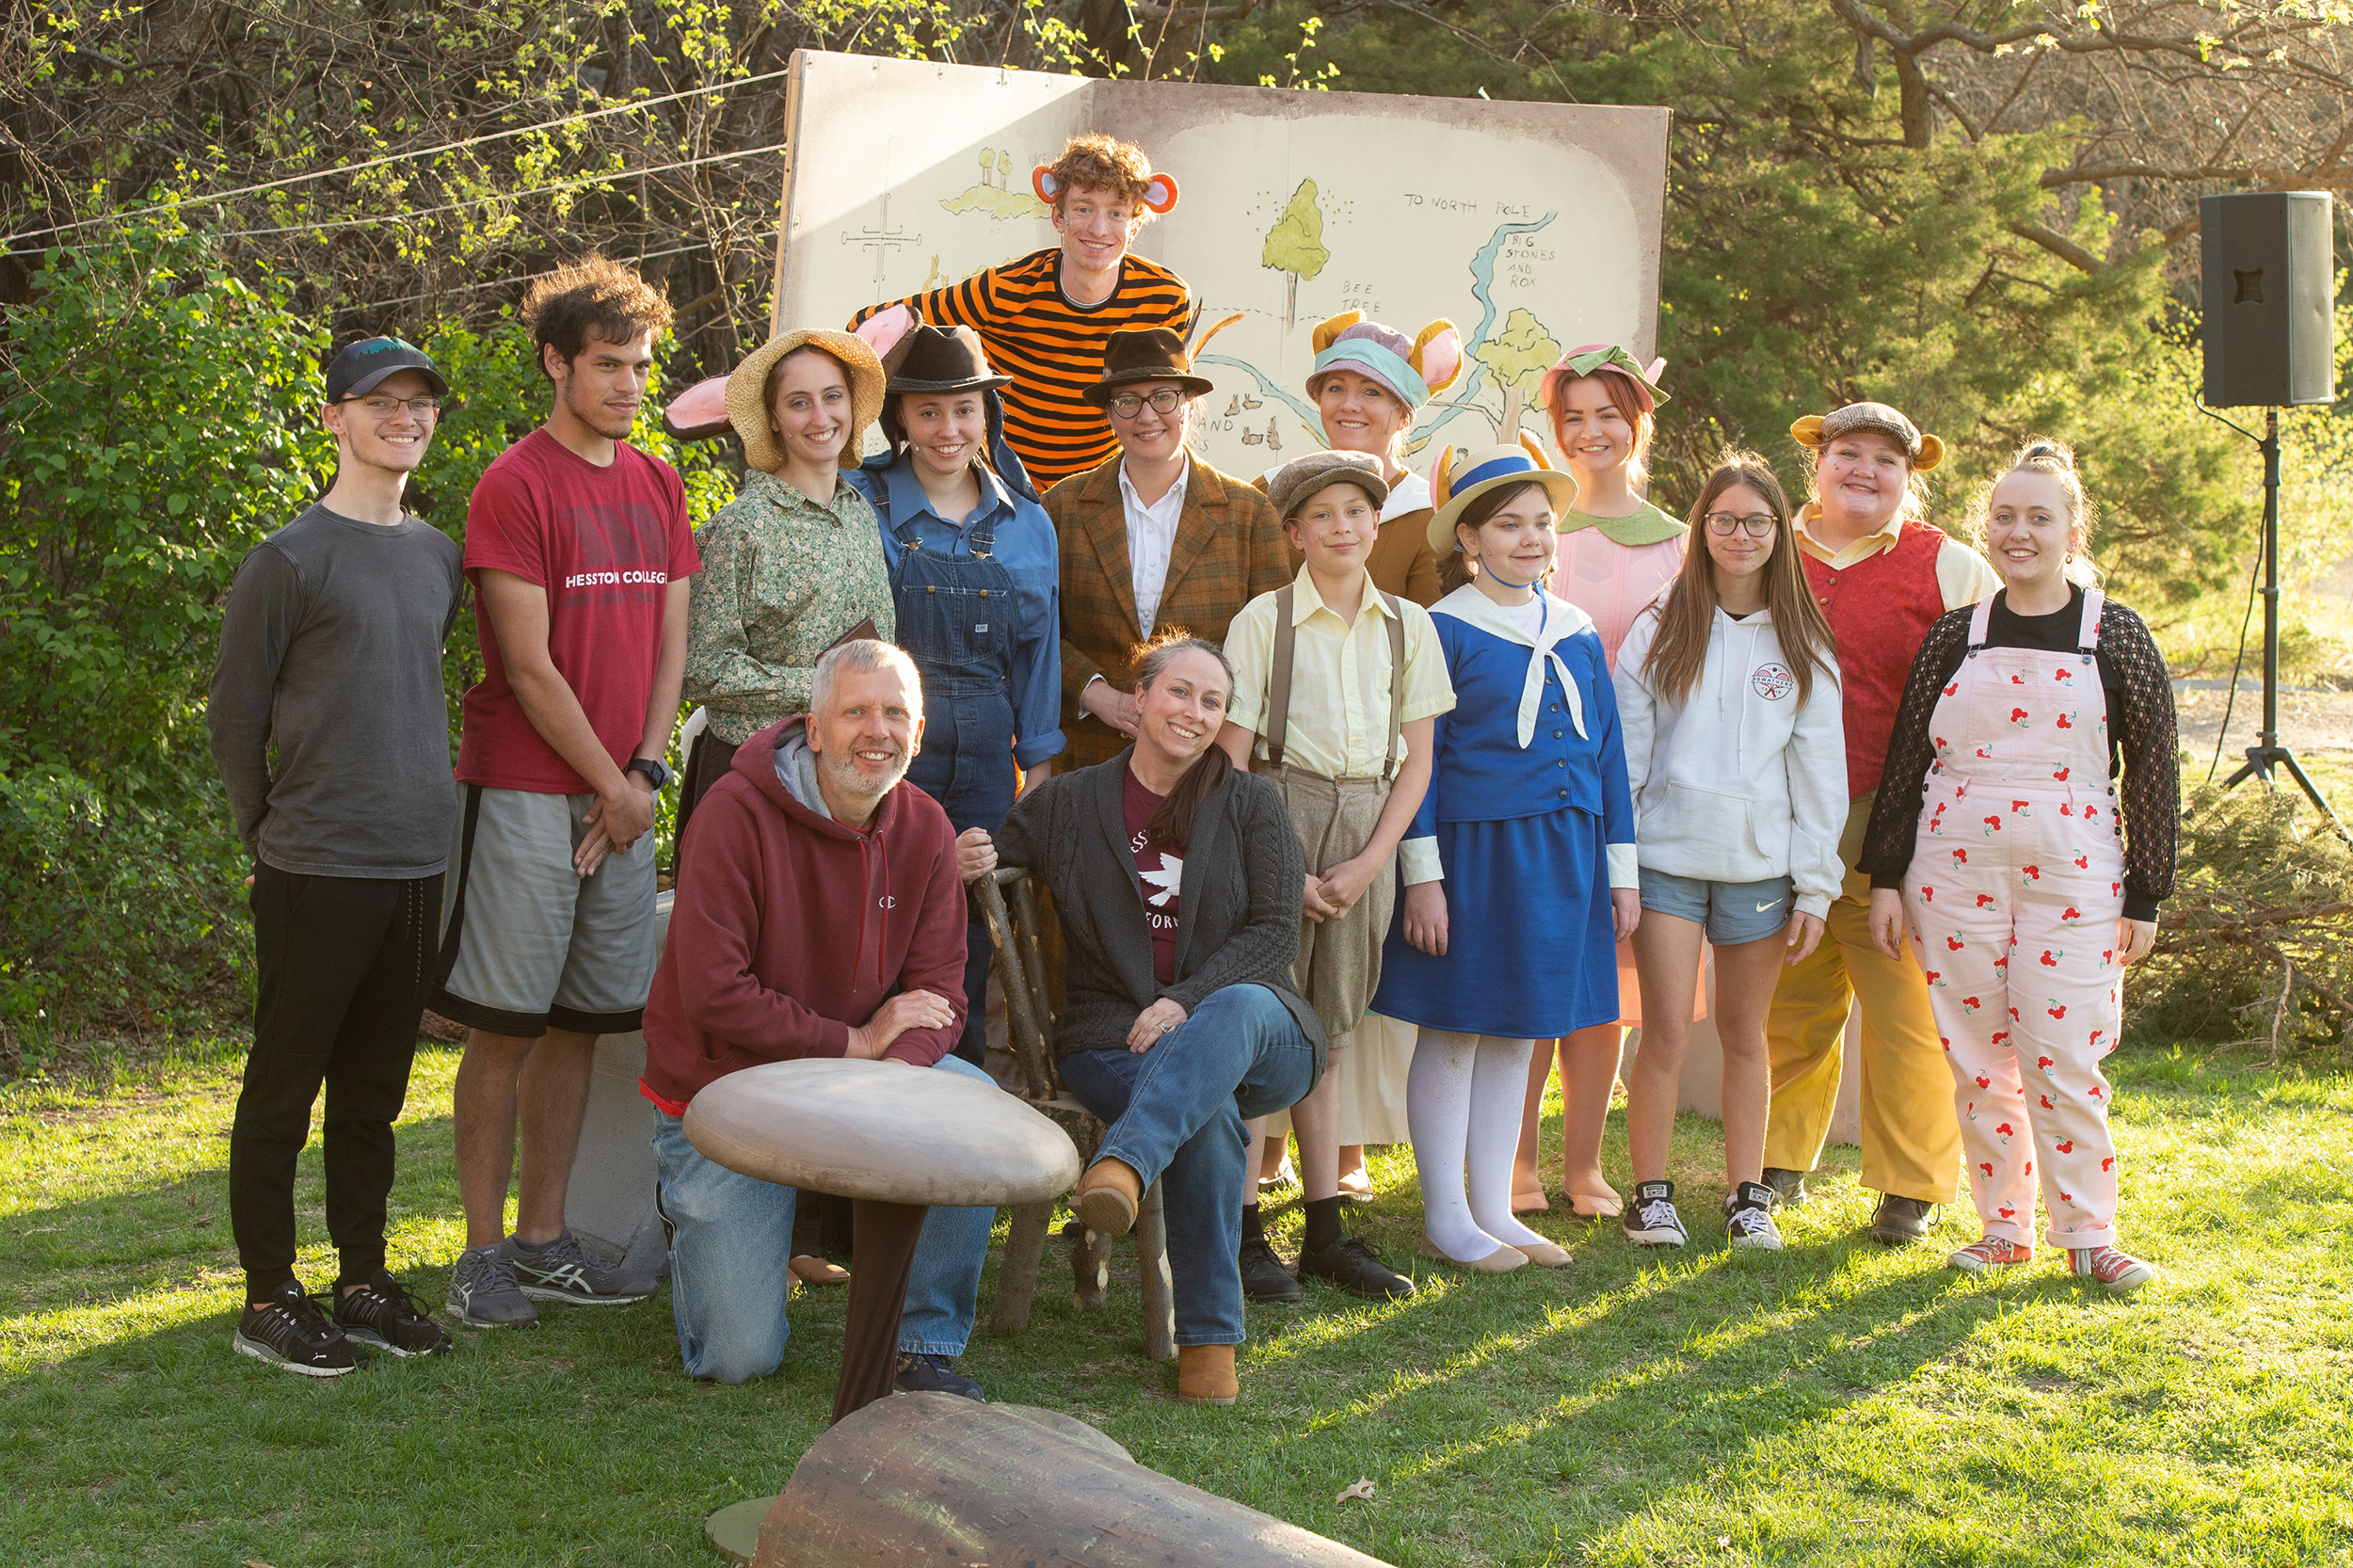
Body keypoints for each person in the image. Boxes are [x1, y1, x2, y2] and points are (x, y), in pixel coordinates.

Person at [431, 256, 698, 1327]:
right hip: (528, 791)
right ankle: (480, 1253)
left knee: (583, 1025)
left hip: (623, 791)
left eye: (640, 366)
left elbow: (673, 634)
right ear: (555, 362)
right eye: (607, 365)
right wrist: (610, 785)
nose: (629, 385)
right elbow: (528, 666)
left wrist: (643, 772)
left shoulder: (659, 480)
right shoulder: (515, 484)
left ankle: (544, 1241)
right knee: (504, 1026)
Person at [961, 635, 1324, 1407]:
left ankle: (1121, 1164)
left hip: (1260, 1030)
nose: (1194, 713)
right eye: (1180, 693)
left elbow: (1273, 936)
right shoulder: (1067, 804)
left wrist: (1184, 1001)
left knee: (1232, 1006)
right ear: (1140, 700)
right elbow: (992, 858)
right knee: (1209, 1116)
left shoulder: (1252, 803)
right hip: (1108, 1037)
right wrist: (965, 853)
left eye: (1213, 702)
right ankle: (1209, 1341)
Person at [640, 640, 1002, 1391]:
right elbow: (715, 991)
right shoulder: (732, 815)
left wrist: (889, 1076)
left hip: (853, 1083)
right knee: (739, 1360)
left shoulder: (926, 828)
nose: (878, 730)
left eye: (896, 712)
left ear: (920, 731)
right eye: (856, 711)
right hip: (726, 1087)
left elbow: (942, 995)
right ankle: (711, 1230)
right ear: (814, 728)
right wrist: (856, 1041)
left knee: (974, 1105)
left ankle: (923, 1343)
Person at [1863, 440, 2177, 1293]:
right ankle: (2004, 1226)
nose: (2018, 532)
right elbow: (1905, 762)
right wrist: (1885, 877)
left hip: (2074, 874)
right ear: (1985, 529)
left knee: (2065, 1053)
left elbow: (2152, 765)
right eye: (2004, 517)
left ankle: (2091, 1234)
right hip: (1952, 867)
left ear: (2073, 531)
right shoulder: (1954, 635)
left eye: (2039, 517)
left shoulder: (2115, 632)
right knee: (1977, 1054)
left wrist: (2146, 892)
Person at [208, 337, 465, 1374]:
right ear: (335, 417)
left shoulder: (438, 554)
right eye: (380, 401)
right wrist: (266, 834)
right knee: (285, 1087)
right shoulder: (288, 559)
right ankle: (268, 1296)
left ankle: (361, 1278)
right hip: (317, 862)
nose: (403, 417)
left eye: (420, 403)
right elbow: (236, 716)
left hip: (416, 860)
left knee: (375, 1092)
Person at [1370, 440, 1639, 1272]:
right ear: (1471, 541)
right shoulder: (1442, 629)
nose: (1531, 539)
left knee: (1520, 1031)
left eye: (1543, 525)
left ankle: (1495, 1208)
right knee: (1456, 1028)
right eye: (1510, 526)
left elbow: (1610, 758)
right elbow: (1417, 762)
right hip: (1473, 855)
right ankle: (1446, 1214)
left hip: (1563, 855)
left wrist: (1618, 871)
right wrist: (1424, 879)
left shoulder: (1579, 632)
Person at [1758, 402, 2000, 1245]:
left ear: (1910, 476)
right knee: (1789, 998)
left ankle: (1910, 1185)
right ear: (1817, 465)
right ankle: (1773, 1160)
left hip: (1898, 822)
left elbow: (2020, 642)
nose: (1864, 471)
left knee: (1904, 1009)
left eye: (1885, 460)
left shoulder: (1951, 566)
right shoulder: (1767, 544)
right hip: (1778, 814)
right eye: (1847, 454)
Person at [1216, 452, 1455, 1304]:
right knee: (1259, 1028)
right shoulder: (1263, 621)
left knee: (1330, 1034)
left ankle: (1323, 1232)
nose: (1342, 527)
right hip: (1275, 813)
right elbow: (1233, 765)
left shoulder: (1407, 626)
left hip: (1368, 824)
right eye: (1322, 516)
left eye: (1357, 511)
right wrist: (1282, 871)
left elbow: (1419, 763)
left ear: (1375, 523)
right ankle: (1242, 1231)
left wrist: (1369, 861)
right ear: (1294, 532)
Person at [1254, 312, 1462, 1204]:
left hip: (1378, 786)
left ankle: (1339, 1155)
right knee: (1269, 977)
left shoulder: (1419, 524)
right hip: (1291, 776)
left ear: (1404, 409)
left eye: (1372, 392)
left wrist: (1409, 862)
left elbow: (1412, 721)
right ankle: (1264, 1154)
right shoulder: (1283, 501)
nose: (1350, 405)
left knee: (1350, 991)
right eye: (1336, 388)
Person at [1613, 453, 1845, 1252]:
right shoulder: (1658, 625)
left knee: (1747, 1036)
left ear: (1781, 532)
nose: (1740, 535)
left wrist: (1815, 888)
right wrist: (1621, 867)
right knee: (1669, 1030)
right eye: (1723, 520)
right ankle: (1651, 1195)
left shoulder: (1804, 641)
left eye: (1757, 521)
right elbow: (1630, 761)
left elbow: (1820, 777)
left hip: (1760, 871)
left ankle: (1749, 1198)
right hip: (1666, 863)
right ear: (1701, 529)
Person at [846, 315, 1065, 1067]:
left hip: (983, 770)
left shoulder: (1029, 524)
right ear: (899, 417)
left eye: (965, 409)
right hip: (878, 749)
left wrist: (1035, 780)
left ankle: (953, 1127)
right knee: (867, 927)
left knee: (966, 944)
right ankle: (851, 1116)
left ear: (987, 415)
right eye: (929, 410)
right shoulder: (859, 502)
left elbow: (1038, 661)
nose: (948, 429)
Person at [1514, 344, 1691, 1221]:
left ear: (1638, 422)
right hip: (1537, 784)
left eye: (1607, 416)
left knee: (1603, 983)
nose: (1590, 434)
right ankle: (1515, 1160)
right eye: (1572, 418)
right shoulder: (1535, 532)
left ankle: (1583, 1163)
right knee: (1532, 965)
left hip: (1635, 790)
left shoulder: (1680, 546)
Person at [852, 134, 1192, 488]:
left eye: (1116, 213)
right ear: (1058, 217)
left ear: (1134, 225)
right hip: (1004, 494)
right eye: (1083, 208)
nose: (1098, 228)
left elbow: (1164, 404)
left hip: (1101, 491)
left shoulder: (1166, 298)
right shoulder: (1006, 290)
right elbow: (867, 324)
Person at [676, 322, 890, 850]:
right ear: (772, 418)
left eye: (833, 397)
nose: (821, 418)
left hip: (847, 777)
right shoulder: (739, 529)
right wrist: (831, 692)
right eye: (799, 403)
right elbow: (701, 670)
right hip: (754, 779)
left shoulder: (860, 512)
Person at [1048, 327, 1290, 773]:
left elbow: (1271, 649)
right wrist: (1100, 696)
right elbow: (1039, 630)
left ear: (1189, 405)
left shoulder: (1249, 514)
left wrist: (1214, 739)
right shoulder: (1062, 506)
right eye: (1127, 400)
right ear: (1109, 413)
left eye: (1163, 396)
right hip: (1087, 756)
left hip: (1206, 760)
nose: (1146, 415)